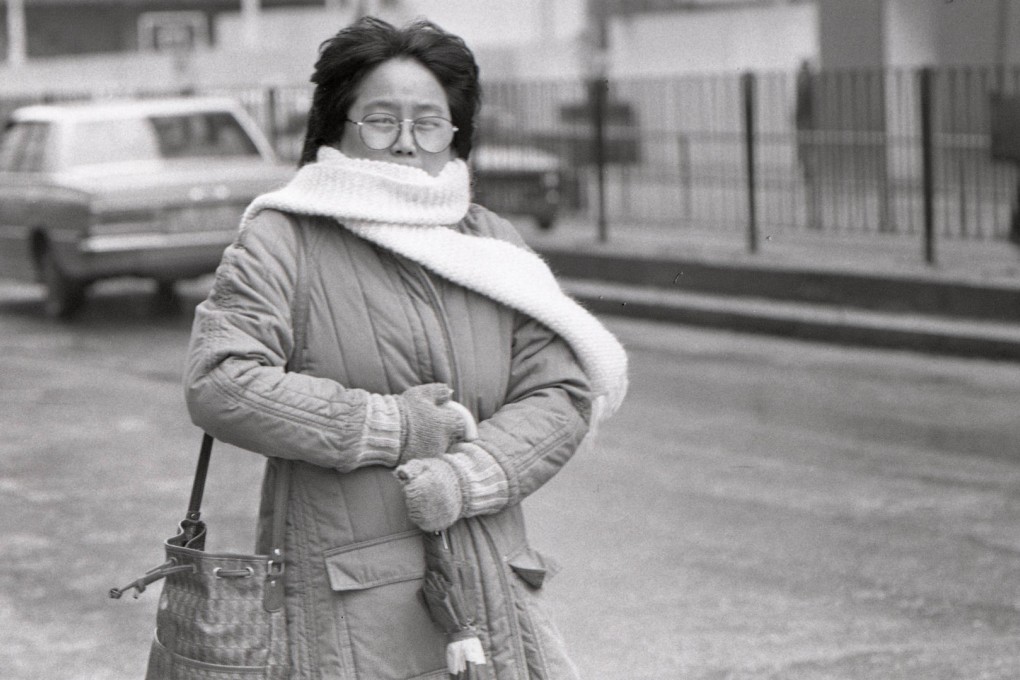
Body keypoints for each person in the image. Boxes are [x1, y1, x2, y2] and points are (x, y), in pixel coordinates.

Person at [183, 16, 628, 680]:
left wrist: (465, 476)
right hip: (350, 613)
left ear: (455, 134)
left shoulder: (491, 241)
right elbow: (221, 380)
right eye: (381, 120)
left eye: (427, 122)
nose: (405, 144)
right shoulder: (285, 236)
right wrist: (394, 426)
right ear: (338, 125)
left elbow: (560, 393)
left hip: (494, 593)